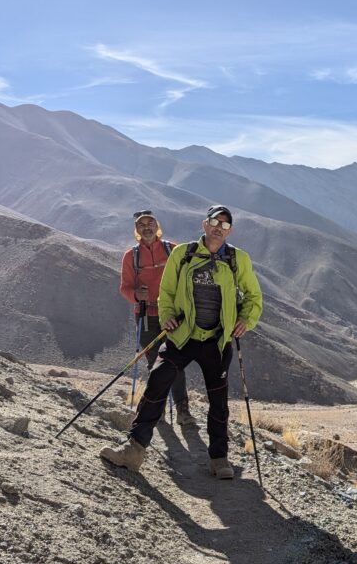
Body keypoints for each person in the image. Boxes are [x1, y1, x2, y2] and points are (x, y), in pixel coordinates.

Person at [101, 205, 264, 480]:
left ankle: (219, 458)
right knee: (156, 382)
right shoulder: (183, 253)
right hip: (183, 334)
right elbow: (167, 292)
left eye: (224, 225)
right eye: (214, 222)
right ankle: (134, 450)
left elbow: (253, 296)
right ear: (204, 223)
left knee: (218, 399)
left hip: (217, 338)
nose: (218, 228)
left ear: (230, 230)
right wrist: (166, 318)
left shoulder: (239, 259)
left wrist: (246, 320)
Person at [118, 210, 196, 427]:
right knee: (155, 364)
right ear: (137, 230)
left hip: (172, 316)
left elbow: (187, 278)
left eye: (150, 223)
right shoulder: (130, 256)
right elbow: (124, 287)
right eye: (141, 224)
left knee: (175, 363)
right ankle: (157, 411)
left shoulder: (173, 250)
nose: (146, 227)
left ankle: (183, 411)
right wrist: (135, 295)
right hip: (145, 316)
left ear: (157, 226)